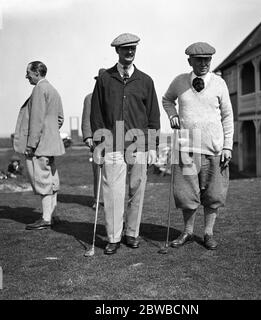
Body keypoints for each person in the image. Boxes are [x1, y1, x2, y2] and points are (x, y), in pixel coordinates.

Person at [91, 33, 160, 255]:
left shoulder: (146, 81)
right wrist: (99, 145)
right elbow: (97, 115)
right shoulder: (104, 80)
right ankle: (113, 237)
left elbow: (153, 117)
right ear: (117, 51)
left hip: (138, 143)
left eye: (132, 48)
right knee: (112, 192)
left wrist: (152, 146)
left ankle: (132, 233)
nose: (129, 52)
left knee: (136, 189)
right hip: (111, 143)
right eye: (125, 49)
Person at [162, 42, 234, 250]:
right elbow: (167, 100)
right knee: (186, 194)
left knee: (214, 194)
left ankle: (208, 233)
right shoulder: (179, 82)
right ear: (189, 61)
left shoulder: (219, 83)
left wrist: (227, 146)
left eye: (207, 59)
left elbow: (228, 116)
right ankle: (187, 231)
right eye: (199, 60)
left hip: (214, 149)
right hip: (186, 148)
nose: (203, 64)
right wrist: (173, 115)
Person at [14, 61, 65, 230]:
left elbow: (35, 121)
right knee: (52, 179)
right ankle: (52, 214)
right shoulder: (53, 89)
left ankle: (45, 218)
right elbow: (60, 119)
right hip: (51, 144)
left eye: (28, 72)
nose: (26, 76)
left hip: (40, 146)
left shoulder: (39, 89)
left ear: (36, 72)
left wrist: (31, 144)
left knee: (42, 179)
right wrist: (50, 133)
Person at [81, 68, 106, 209]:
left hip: (113, 141)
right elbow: (86, 119)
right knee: (97, 171)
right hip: (97, 142)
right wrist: (88, 137)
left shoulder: (113, 98)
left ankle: (109, 199)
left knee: (113, 171)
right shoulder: (90, 98)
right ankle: (97, 199)